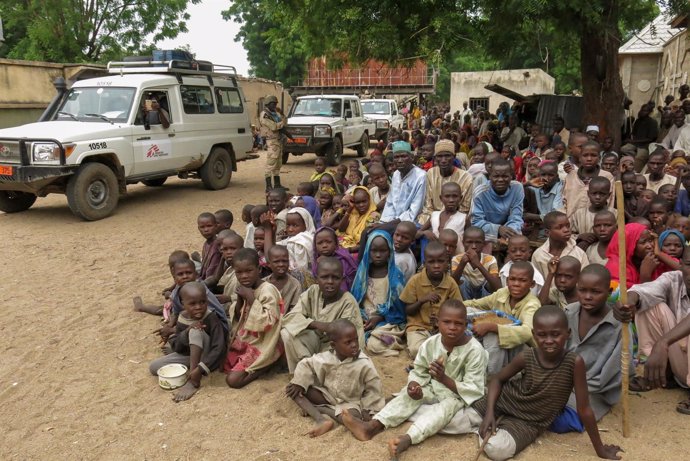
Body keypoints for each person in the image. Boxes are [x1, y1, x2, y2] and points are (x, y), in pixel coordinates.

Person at [432, 306, 622, 461]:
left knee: (498, 450)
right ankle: (485, 422)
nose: (549, 341)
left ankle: (483, 426)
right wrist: (489, 412)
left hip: (530, 421)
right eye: (542, 335)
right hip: (504, 401)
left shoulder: (574, 363)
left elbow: (585, 409)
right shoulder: (528, 356)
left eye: (555, 335)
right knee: (448, 423)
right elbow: (498, 379)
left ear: (568, 333)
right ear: (534, 334)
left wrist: (600, 449)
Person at [341, 300, 488, 459]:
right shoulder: (431, 343)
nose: (452, 327)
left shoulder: (475, 351)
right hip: (432, 387)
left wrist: (444, 378)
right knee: (407, 395)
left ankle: (407, 439)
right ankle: (373, 426)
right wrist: (414, 386)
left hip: (457, 396)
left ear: (466, 325)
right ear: (437, 322)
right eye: (446, 322)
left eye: (458, 323)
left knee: (443, 410)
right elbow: (419, 371)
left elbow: (474, 388)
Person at [551, 265, 630, 432]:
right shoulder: (568, 312)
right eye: (582, 290)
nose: (587, 297)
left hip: (593, 392)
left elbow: (614, 376)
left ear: (608, 292)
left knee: (559, 422)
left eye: (595, 292)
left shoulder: (619, 327)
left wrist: (572, 387)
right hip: (560, 381)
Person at [615, 247, 690, 413]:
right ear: (681, 265)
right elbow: (644, 291)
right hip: (681, 358)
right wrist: (628, 303)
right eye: (689, 265)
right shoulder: (673, 278)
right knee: (648, 305)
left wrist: (662, 342)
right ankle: (662, 375)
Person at [285, 319, 385, 438]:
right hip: (328, 396)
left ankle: (319, 412)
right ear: (333, 345)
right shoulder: (326, 358)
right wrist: (299, 384)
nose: (354, 345)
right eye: (348, 342)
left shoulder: (364, 364)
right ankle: (321, 419)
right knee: (293, 388)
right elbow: (305, 364)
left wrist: (370, 409)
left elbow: (373, 388)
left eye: (355, 340)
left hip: (351, 402)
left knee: (353, 416)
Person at [280, 257, 365, 373]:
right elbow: (291, 317)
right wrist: (318, 325)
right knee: (287, 333)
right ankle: (301, 371)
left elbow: (354, 341)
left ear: (342, 279)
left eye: (335, 278)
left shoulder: (348, 302)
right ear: (316, 279)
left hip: (334, 349)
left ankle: (310, 370)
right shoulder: (312, 291)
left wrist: (332, 331)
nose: (330, 281)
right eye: (325, 277)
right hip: (313, 341)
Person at [149, 281, 227, 402]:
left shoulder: (210, 317)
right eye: (192, 303)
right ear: (182, 304)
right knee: (154, 367)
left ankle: (193, 380)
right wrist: (186, 331)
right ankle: (192, 366)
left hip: (208, 358)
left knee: (196, 331)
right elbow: (177, 346)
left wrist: (200, 369)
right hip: (191, 354)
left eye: (202, 302)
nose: (198, 307)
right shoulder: (182, 317)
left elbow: (219, 347)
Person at [464, 262, 541, 375]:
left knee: (493, 335)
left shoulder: (532, 304)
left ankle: (493, 376)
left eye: (522, 280)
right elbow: (476, 304)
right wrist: (450, 309)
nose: (516, 284)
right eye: (512, 279)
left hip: (523, 351)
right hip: (501, 349)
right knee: (466, 311)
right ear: (507, 280)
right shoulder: (502, 293)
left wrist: (492, 327)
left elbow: (527, 332)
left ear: (532, 284)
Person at [224, 249, 284, 388]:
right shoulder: (244, 287)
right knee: (224, 363)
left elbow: (268, 322)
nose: (244, 276)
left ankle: (262, 368)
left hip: (265, 342)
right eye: (239, 272)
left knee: (233, 380)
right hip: (248, 338)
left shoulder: (268, 290)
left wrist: (250, 298)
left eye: (249, 271)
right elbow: (239, 318)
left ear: (258, 269)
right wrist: (240, 298)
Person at [358, 141, 427, 258]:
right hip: (392, 220)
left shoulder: (421, 176)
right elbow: (390, 203)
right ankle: (362, 268)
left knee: (373, 234)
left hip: (409, 221)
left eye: (403, 156)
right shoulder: (395, 174)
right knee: (367, 231)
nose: (400, 160)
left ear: (411, 157)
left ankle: (364, 268)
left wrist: (385, 225)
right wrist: (382, 222)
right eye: (397, 157)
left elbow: (414, 211)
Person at [400, 242, 462, 358]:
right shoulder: (415, 280)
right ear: (424, 264)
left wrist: (441, 321)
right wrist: (422, 300)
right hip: (418, 327)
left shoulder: (451, 283)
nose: (436, 265)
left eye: (440, 261)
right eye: (431, 262)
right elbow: (408, 310)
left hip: (442, 328)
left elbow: (457, 309)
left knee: (454, 349)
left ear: (447, 262)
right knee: (416, 350)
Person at [352, 231, 407, 356]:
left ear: (390, 251)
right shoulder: (362, 272)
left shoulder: (395, 276)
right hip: (364, 318)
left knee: (374, 345)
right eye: (374, 250)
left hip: (386, 321)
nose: (378, 255)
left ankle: (384, 340)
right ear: (367, 250)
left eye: (383, 251)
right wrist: (360, 316)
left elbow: (399, 310)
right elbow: (356, 300)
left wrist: (380, 318)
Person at [418, 140, 473, 225]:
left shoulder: (466, 178)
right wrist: (435, 222)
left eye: (447, 156)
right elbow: (428, 206)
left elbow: (464, 210)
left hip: (455, 220)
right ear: (435, 158)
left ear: (454, 156)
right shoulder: (430, 173)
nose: (443, 160)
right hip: (431, 219)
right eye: (439, 156)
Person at [471, 158, 525, 241]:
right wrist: (498, 229)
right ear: (490, 177)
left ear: (511, 176)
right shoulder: (480, 193)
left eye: (505, 176)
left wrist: (509, 232)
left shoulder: (517, 188)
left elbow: (516, 216)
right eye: (496, 176)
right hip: (486, 235)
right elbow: (476, 222)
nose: (500, 180)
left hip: (509, 233)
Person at [563, 138, 615, 218]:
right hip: (571, 222)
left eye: (593, 155)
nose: (589, 159)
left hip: (596, 224)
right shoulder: (571, 176)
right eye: (585, 155)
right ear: (580, 157)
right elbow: (564, 201)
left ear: (599, 158)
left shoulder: (607, 177)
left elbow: (610, 202)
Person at [532, 211, 589, 279]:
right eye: (559, 227)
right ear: (547, 232)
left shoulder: (579, 253)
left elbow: (585, 279)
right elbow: (537, 283)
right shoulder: (539, 255)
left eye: (568, 226)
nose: (566, 230)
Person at [451, 226, 501, 300]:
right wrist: (462, 264)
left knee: (488, 282)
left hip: (484, 296)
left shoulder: (490, 260)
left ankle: (485, 307)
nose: (474, 246)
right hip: (465, 295)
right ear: (463, 243)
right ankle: (466, 306)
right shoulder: (457, 259)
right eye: (469, 242)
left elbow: (497, 287)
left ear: (483, 244)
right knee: (462, 281)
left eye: (478, 242)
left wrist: (478, 264)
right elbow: (453, 284)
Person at [263, 207, 316, 273]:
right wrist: (273, 232)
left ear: (306, 225)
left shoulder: (301, 241)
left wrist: (268, 230)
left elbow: (269, 256)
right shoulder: (294, 239)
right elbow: (275, 248)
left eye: (295, 225)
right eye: (288, 225)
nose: (290, 229)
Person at [417, 182, 467, 247]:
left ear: (460, 198)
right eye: (447, 196)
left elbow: (467, 241)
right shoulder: (434, 216)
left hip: (455, 256)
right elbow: (417, 234)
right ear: (441, 198)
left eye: (455, 196)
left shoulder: (464, 218)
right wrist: (424, 233)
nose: (451, 200)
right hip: (436, 255)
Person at [605, 222, 654, 289]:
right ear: (629, 244)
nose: (650, 246)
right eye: (643, 242)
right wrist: (645, 276)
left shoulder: (645, 260)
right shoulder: (614, 268)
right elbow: (615, 297)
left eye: (650, 240)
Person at [259, 95, 291, 191]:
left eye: (276, 104)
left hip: (279, 140)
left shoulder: (275, 114)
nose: (275, 105)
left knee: (278, 164)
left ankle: (277, 184)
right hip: (272, 141)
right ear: (268, 104)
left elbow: (284, 122)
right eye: (273, 104)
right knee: (271, 164)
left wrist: (282, 118)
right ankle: (268, 186)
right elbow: (274, 127)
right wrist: (282, 123)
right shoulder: (265, 115)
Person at [569, 176, 616, 241]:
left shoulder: (615, 213)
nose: (597, 197)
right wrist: (580, 236)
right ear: (588, 194)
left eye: (602, 194)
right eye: (594, 194)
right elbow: (569, 235)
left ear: (609, 195)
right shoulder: (578, 214)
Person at [312, 226, 358, 291]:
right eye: (320, 243)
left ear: (336, 244)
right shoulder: (317, 261)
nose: (324, 245)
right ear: (315, 246)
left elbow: (350, 279)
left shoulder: (343, 259)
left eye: (328, 242)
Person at [338, 186, 379, 252]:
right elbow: (341, 229)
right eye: (357, 202)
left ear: (369, 200)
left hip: (360, 250)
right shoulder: (353, 214)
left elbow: (369, 242)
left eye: (364, 201)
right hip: (346, 244)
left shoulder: (373, 216)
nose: (361, 205)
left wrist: (348, 250)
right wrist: (349, 210)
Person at [264, 245, 301, 313]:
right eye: (276, 262)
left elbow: (295, 310)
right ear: (269, 264)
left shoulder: (295, 284)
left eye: (284, 261)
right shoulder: (263, 283)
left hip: (287, 321)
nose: (281, 264)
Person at [623, 104, 659, 172]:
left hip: (645, 146)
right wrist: (629, 140)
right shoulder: (638, 121)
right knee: (623, 149)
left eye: (645, 111)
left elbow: (650, 139)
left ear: (649, 112)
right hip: (636, 144)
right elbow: (633, 133)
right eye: (642, 110)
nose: (642, 112)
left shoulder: (652, 122)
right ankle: (633, 160)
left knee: (639, 157)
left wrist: (633, 141)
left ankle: (635, 171)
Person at [195, 212, 222, 284]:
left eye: (209, 226)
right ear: (198, 228)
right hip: (204, 277)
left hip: (213, 282)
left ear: (216, 226)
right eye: (202, 227)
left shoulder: (218, 245)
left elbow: (212, 271)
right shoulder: (206, 244)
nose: (206, 230)